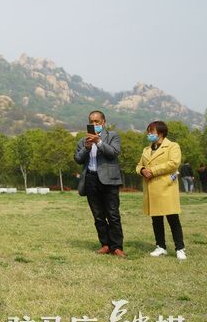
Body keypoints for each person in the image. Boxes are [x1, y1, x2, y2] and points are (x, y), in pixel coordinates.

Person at [73, 110, 125, 257]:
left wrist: (99, 142)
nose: (94, 124)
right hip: (91, 179)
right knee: (98, 216)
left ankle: (117, 247)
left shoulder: (112, 136)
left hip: (109, 181)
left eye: (97, 121)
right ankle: (105, 244)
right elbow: (78, 159)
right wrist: (87, 147)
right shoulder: (83, 141)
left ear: (103, 122)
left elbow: (114, 152)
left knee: (113, 215)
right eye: (91, 122)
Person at [137, 121, 187, 260]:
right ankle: (161, 246)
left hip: (166, 188)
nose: (149, 134)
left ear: (161, 132)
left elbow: (173, 163)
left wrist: (152, 171)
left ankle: (180, 248)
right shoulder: (146, 150)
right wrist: (142, 170)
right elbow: (139, 165)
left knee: (173, 219)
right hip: (151, 189)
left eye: (151, 132)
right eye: (148, 132)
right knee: (156, 220)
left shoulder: (173, 146)